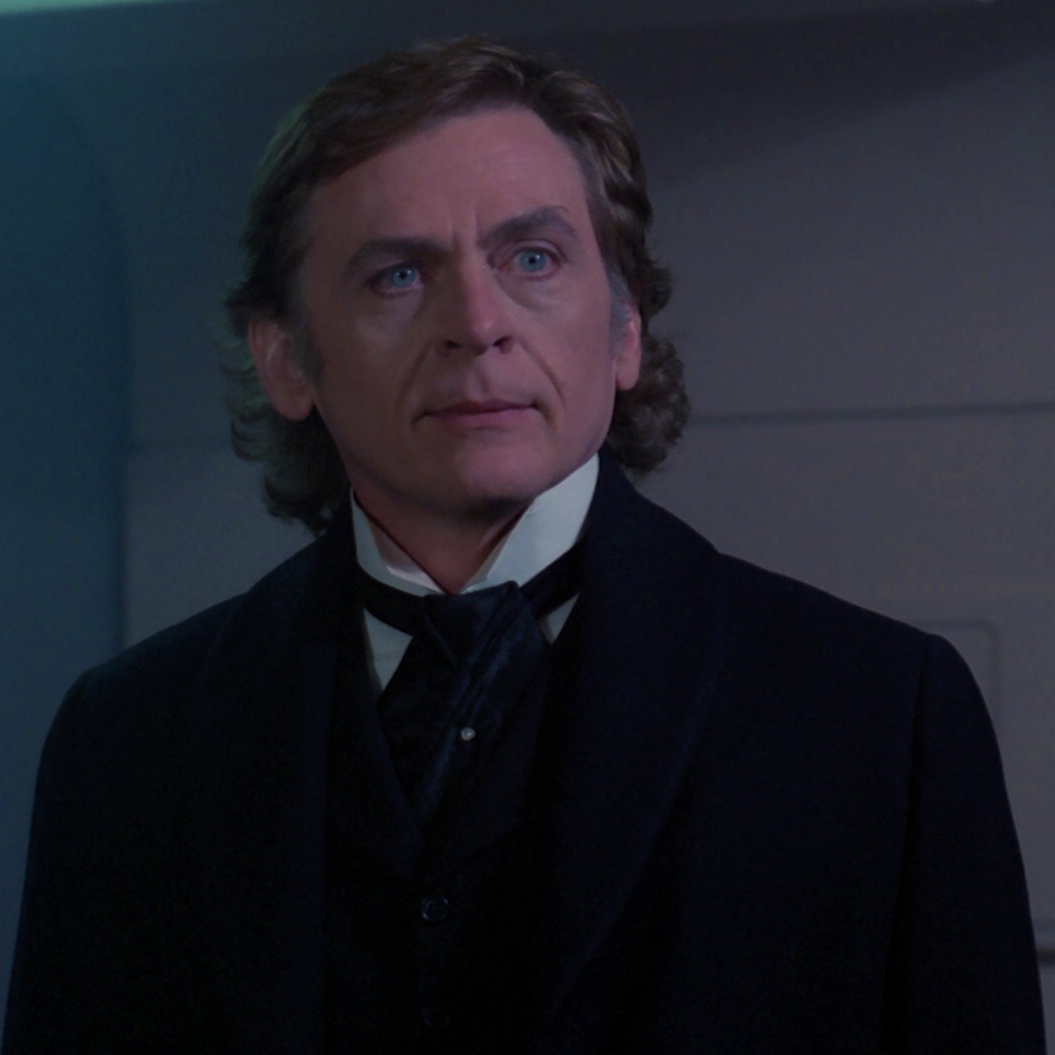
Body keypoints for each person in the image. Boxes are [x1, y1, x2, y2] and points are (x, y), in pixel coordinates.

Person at [3, 36, 1045, 1055]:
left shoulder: (878, 715)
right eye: (397, 275)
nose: (476, 322)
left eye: (531, 258)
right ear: (286, 361)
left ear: (624, 331)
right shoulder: (127, 739)